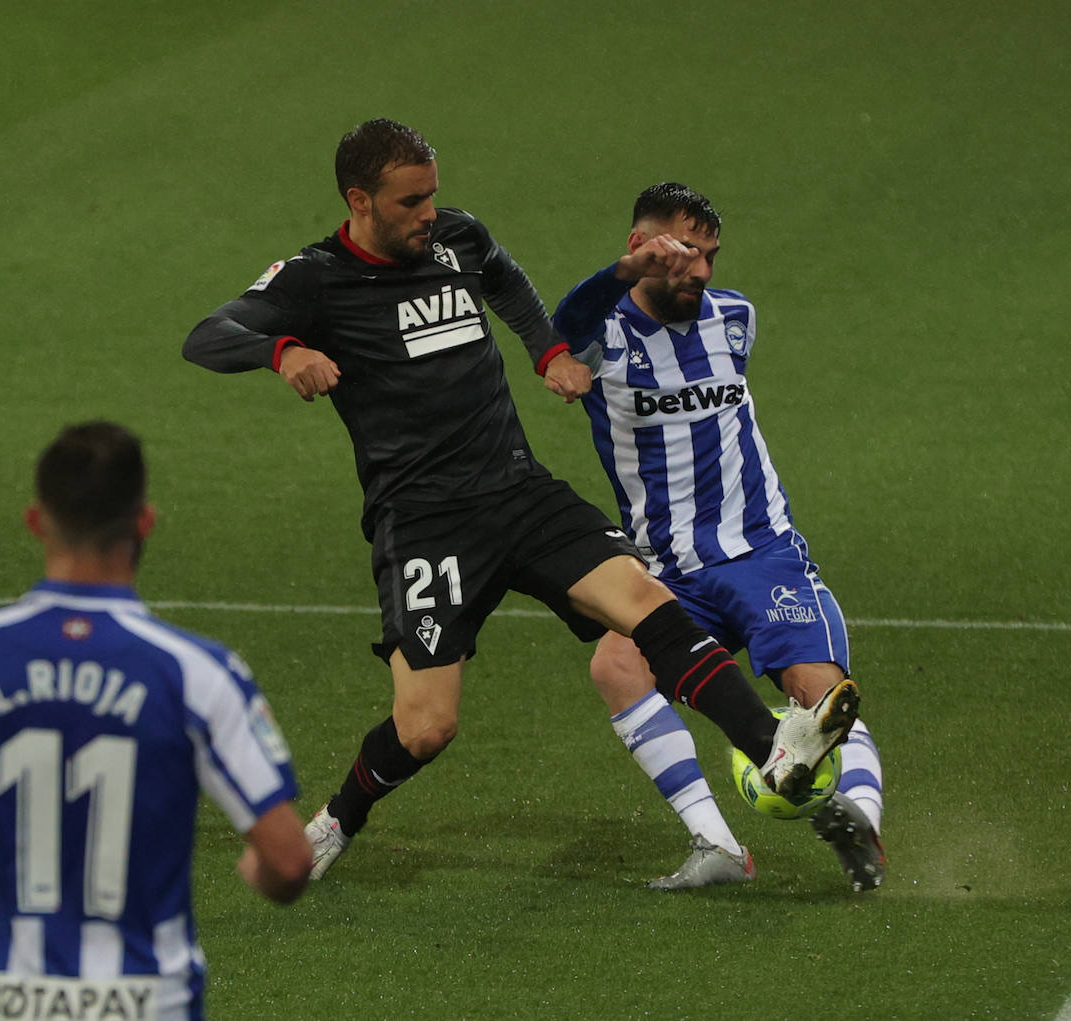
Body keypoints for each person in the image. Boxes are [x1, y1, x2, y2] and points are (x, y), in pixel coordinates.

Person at [182, 118, 858, 887]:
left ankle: (774, 743)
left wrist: (547, 350)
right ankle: (338, 819)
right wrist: (284, 349)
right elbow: (208, 334)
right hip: (427, 522)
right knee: (427, 725)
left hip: (517, 488)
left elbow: (501, 275)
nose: (429, 213)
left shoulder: (455, 238)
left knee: (645, 599)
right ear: (359, 200)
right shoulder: (317, 279)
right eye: (410, 202)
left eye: (432, 194)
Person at [0, 421, 311, 1021]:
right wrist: (262, 874)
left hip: (6, 999)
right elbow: (289, 861)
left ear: (36, 522)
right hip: (150, 1003)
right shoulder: (197, 674)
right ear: (144, 523)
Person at [551, 183, 887, 892]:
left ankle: (860, 821)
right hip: (667, 568)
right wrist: (624, 273)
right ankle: (717, 844)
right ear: (643, 249)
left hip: (761, 551)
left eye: (709, 255)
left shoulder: (734, 319)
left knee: (820, 696)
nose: (701, 271)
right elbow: (565, 319)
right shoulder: (604, 335)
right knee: (617, 666)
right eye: (684, 254)